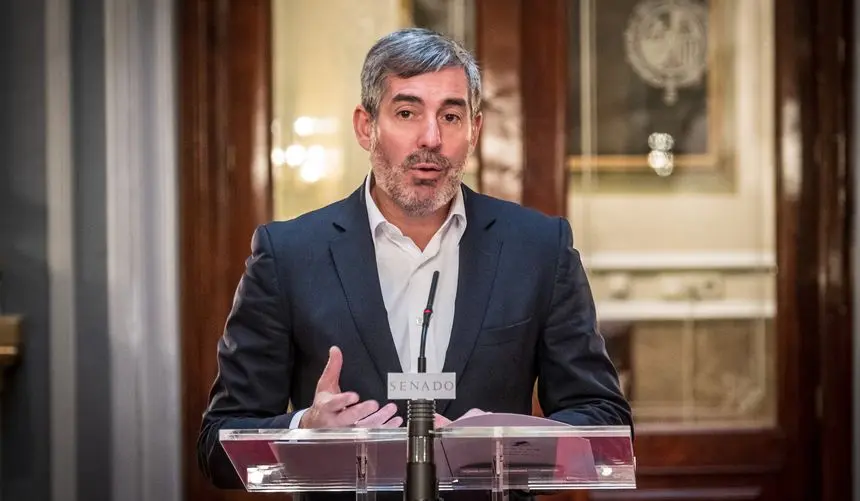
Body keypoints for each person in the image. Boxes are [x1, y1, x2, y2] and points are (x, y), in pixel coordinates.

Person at [197, 27, 632, 496]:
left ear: (475, 130)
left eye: (451, 115)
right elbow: (217, 448)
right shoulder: (288, 255)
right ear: (366, 127)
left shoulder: (539, 247)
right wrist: (305, 430)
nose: (431, 138)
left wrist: (512, 441)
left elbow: (604, 421)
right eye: (407, 112)